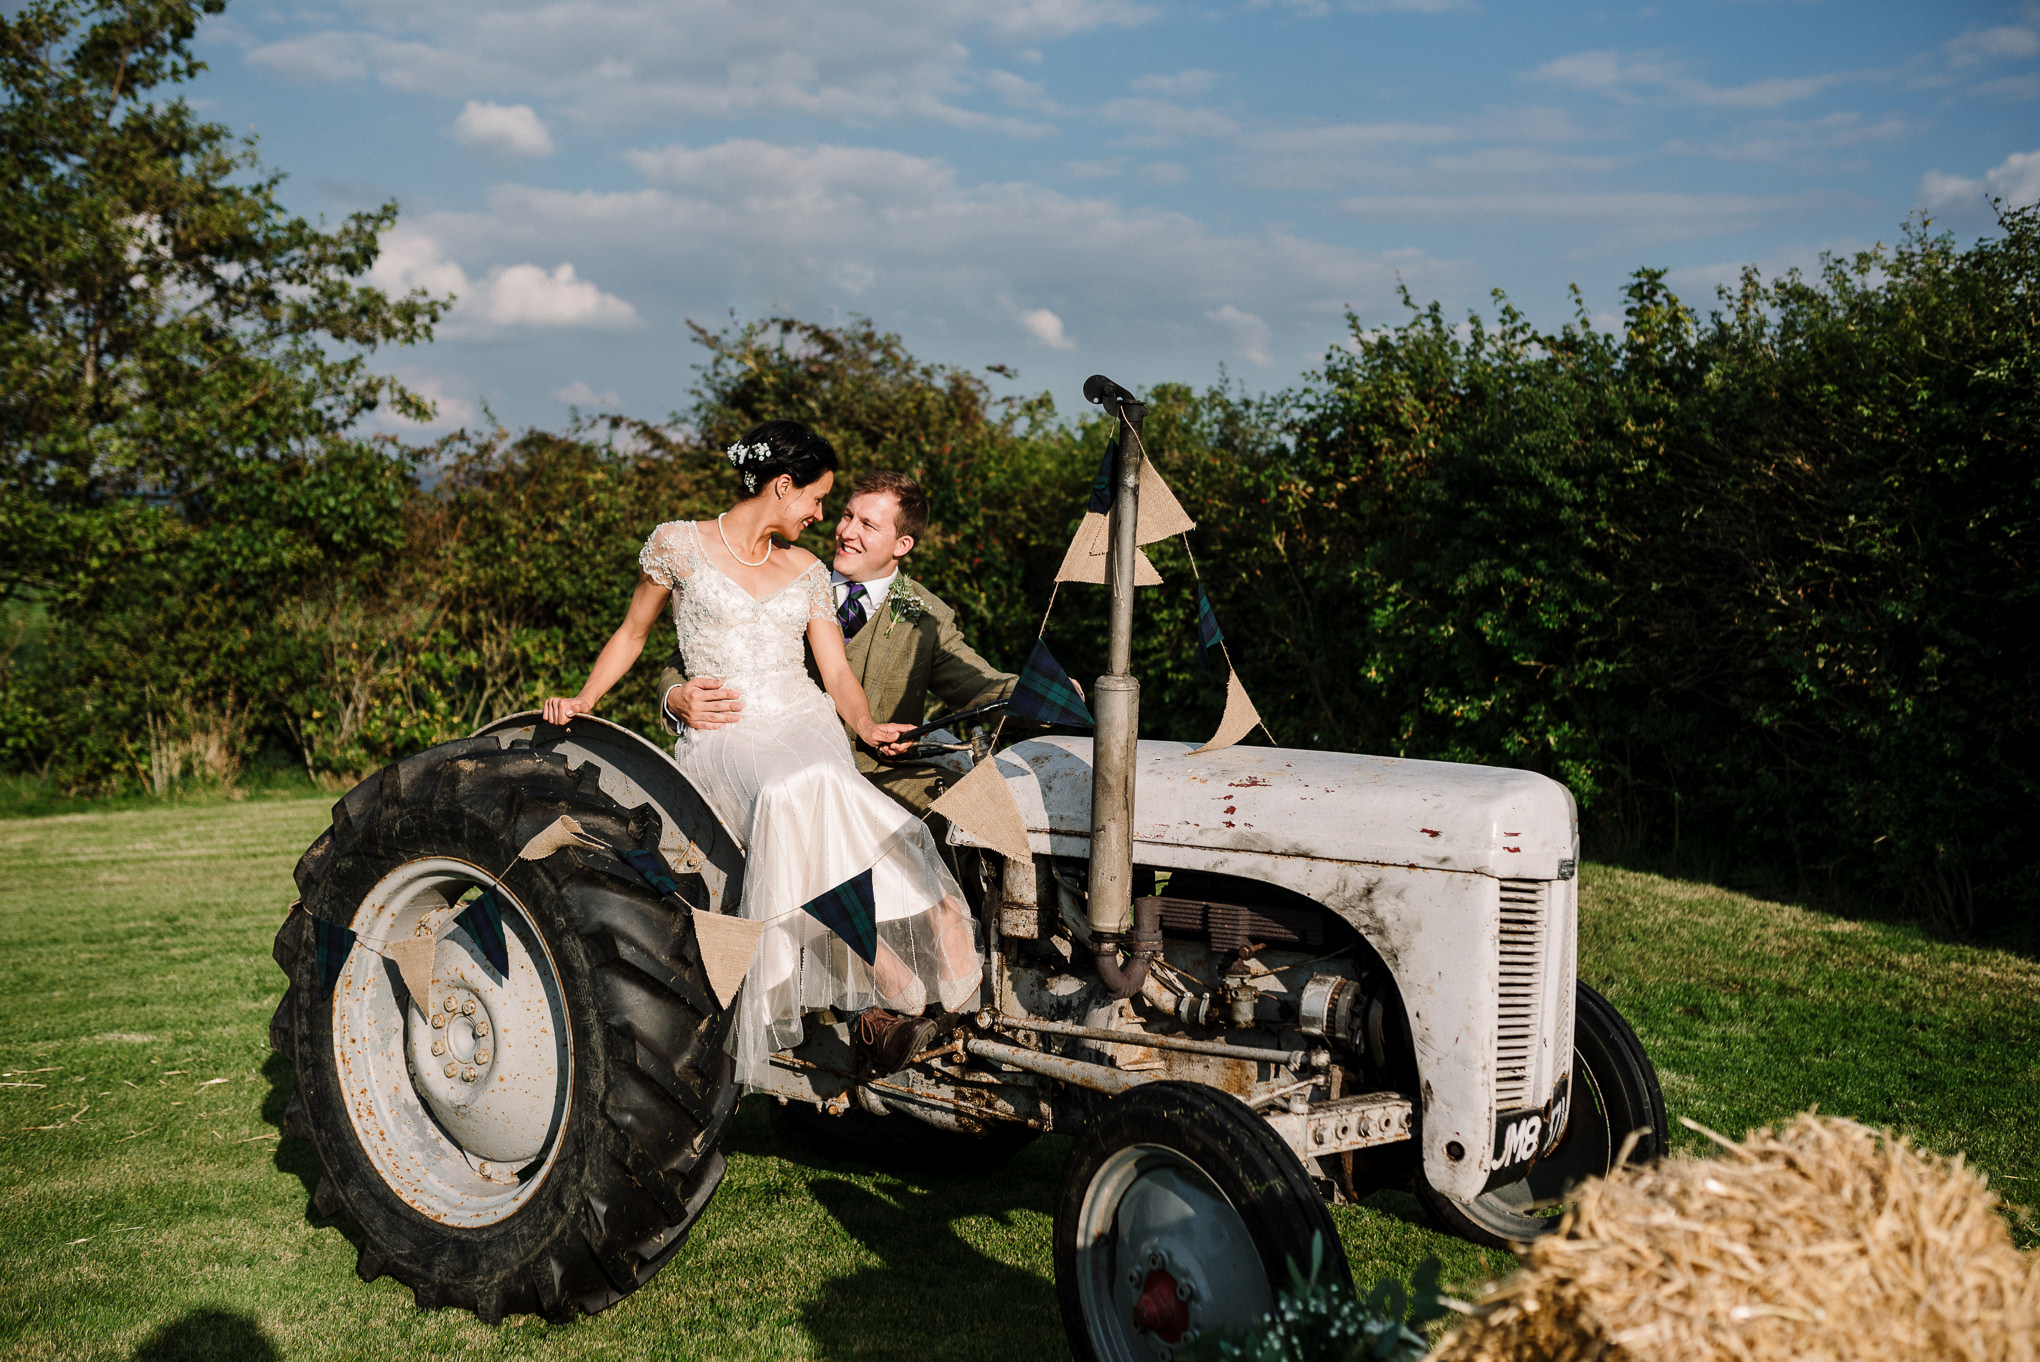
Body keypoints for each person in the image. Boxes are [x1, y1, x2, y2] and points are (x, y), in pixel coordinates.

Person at [541, 421, 980, 1086]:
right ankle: (883, 969)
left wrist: (863, 726)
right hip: (725, 732)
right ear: (783, 486)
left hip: (802, 718)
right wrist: (586, 699)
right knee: (786, 791)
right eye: (818, 498)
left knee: (833, 792)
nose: (822, 516)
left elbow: (833, 674)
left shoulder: (806, 571)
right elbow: (633, 633)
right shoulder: (677, 545)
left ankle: (936, 959)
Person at [658, 470, 1017, 817]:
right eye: (847, 515)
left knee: (976, 811)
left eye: (868, 525)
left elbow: (978, 684)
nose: (846, 532)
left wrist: (1042, 690)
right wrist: (674, 697)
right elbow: (697, 649)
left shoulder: (928, 617)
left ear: (902, 544)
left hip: (884, 775)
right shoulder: (793, 575)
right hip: (776, 766)